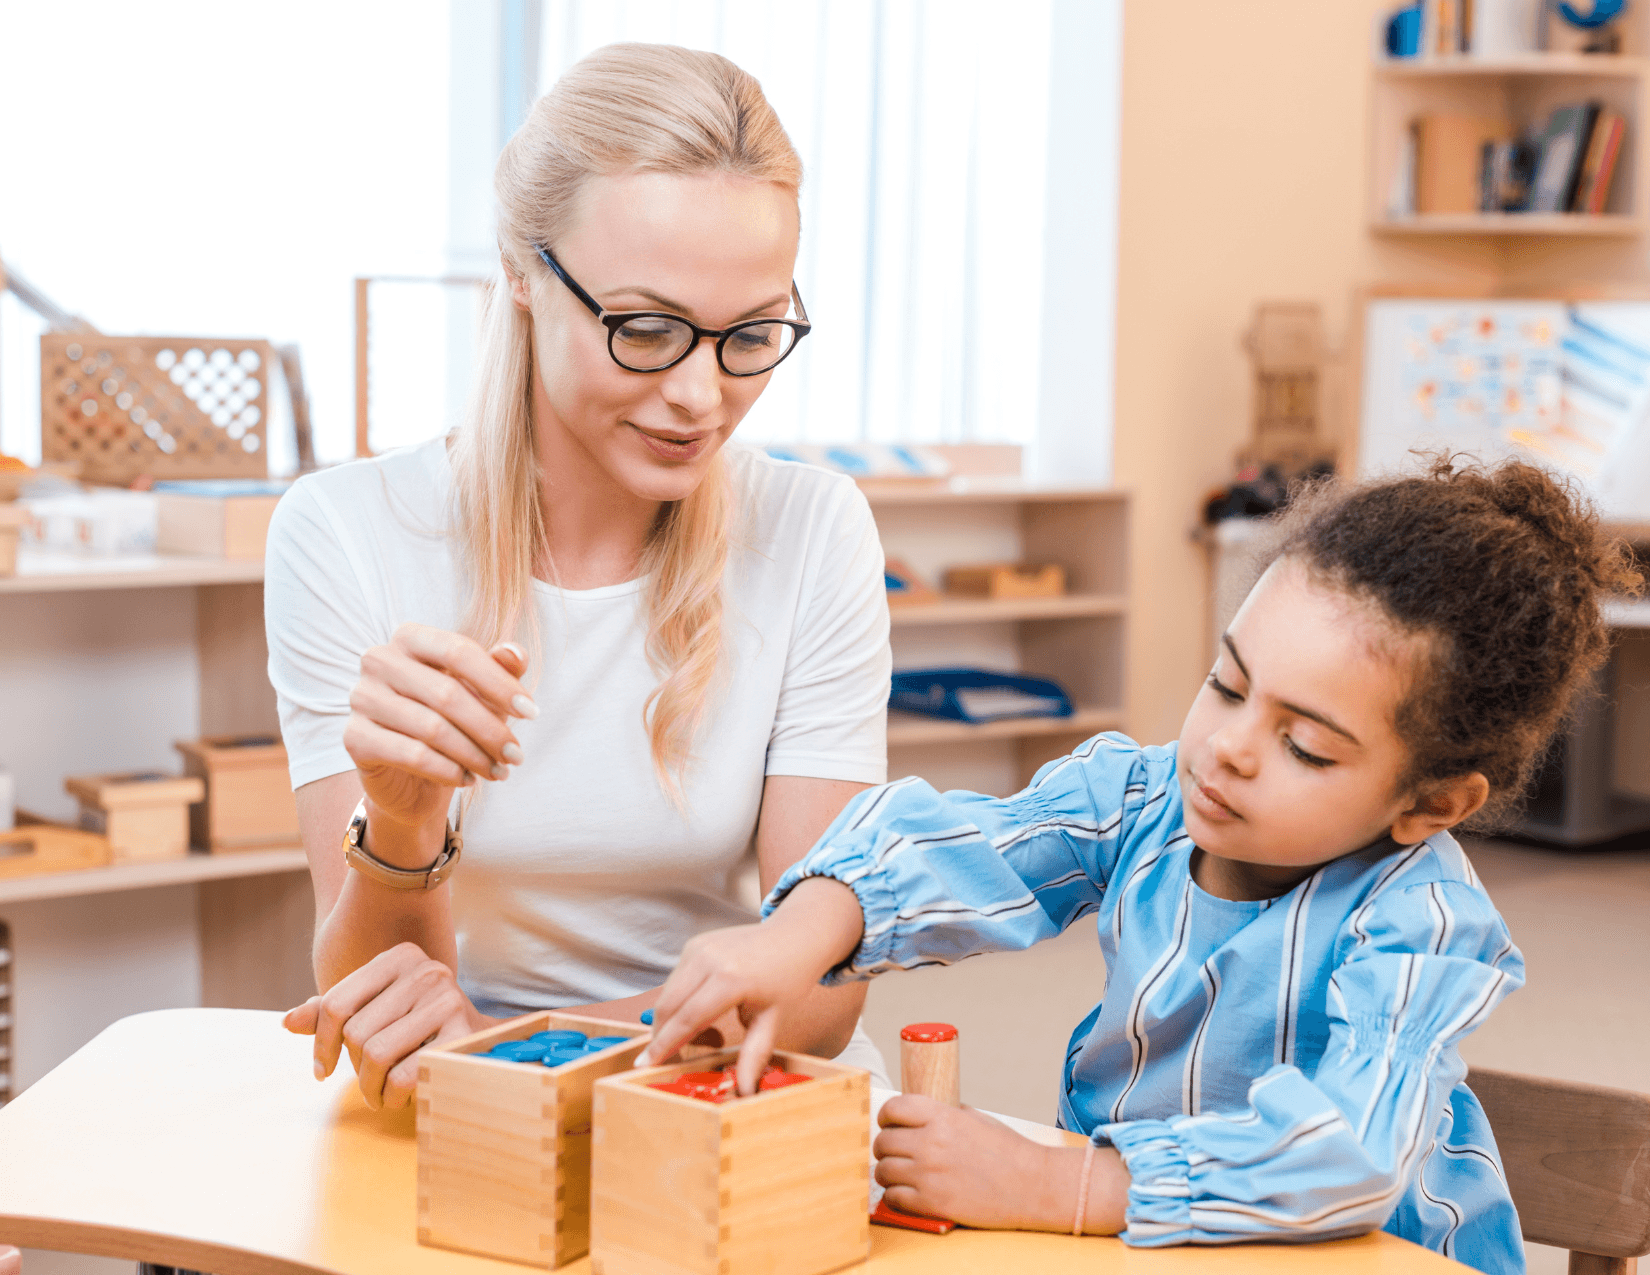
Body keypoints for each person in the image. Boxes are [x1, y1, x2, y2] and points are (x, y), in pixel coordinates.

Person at [644, 458, 1644, 1275]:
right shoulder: (1143, 798)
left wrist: (1063, 1186)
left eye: (1307, 747)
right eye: (1227, 683)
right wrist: (800, 933)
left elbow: (1346, 1152)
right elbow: (971, 846)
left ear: (1430, 803)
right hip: (1153, 1241)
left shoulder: (1422, 925)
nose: (1228, 748)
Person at [266, 43, 892, 1110]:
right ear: (520, 269)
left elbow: (822, 991)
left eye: (752, 335)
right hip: (462, 1111)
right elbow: (375, 990)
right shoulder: (346, 532)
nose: (702, 394)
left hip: (726, 1104)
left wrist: (522, 1053)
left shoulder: (811, 529)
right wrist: (406, 820)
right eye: (646, 330)